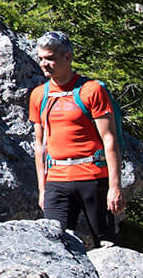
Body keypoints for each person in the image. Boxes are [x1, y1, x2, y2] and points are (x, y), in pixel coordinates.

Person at [28, 30, 124, 248]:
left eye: (50, 58)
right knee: (54, 246)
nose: (44, 64)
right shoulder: (39, 95)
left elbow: (110, 140)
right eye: (41, 58)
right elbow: (40, 146)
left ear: (67, 57)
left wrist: (115, 187)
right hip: (56, 182)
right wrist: (43, 190)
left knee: (107, 245)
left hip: (93, 179)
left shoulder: (92, 90)